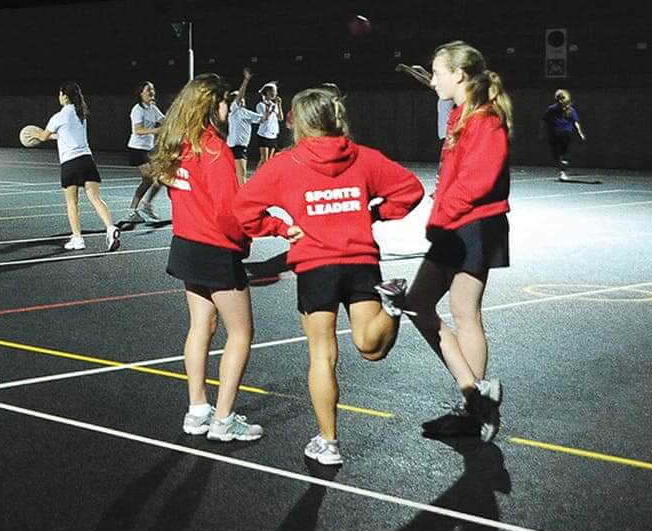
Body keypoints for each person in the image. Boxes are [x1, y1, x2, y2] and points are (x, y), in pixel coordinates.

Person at [234, 87, 424, 467]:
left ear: (298, 122)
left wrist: (279, 228)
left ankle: (328, 442)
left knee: (322, 355)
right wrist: (373, 214)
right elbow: (411, 190)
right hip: (360, 262)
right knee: (372, 348)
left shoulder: (284, 165)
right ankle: (392, 306)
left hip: (316, 265)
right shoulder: (364, 158)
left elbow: (242, 210)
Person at [149, 74, 295, 442]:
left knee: (201, 327)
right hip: (215, 251)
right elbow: (234, 213)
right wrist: (279, 227)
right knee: (242, 332)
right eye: (225, 102)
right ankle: (224, 419)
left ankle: (197, 410)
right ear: (211, 106)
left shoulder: (179, 146)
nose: (229, 108)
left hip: (186, 246)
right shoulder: (214, 151)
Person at [392, 41, 513, 440]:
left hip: (473, 226)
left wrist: (440, 216)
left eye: (439, 72)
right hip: (456, 224)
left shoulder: (486, 119)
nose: (435, 79)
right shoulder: (463, 112)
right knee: (417, 304)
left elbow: (477, 183)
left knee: (465, 313)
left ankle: (473, 408)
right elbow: (441, 86)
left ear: (459, 75)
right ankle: (477, 393)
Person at [38, 82, 119, 252]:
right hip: (87, 160)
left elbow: (43, 136)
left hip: (70, 163)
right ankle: (111, 228)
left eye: (59, 94)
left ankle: (77, 238)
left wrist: (33, 133)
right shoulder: (81, 114)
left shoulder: (58, 117)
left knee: (72, 203)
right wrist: (54, 136)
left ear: (64, 95)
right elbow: (65, 134)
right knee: (95, 198)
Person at [120, 81, 164, 226]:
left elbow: (164, 121)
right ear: (141, 93)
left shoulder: (153, 108)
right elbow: (138, 130)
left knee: (160, 178)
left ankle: (142, 207)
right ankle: (136, 210)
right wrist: (156, 130)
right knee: (150, 178)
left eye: (153, 89)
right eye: (148, 90)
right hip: (136, 149)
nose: (151, 92)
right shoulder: (137, 110)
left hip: (148, 148)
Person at [221, 68, 263, 182]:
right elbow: (240, 95)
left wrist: (270, 108)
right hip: (233, 147)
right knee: (239, 177)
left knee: (239, 176)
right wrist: (246, 80)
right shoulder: (234, 110)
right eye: (237, 97)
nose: (241, 98)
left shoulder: (247, 113)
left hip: (242, 147)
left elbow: (262, 119)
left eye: (241, 97)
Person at [542, 88, 586, 181]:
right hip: (557, 133)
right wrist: (542, 132)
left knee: (561, 153)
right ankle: (562, 164)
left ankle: (563, 168)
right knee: (559, 154)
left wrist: (580, 133)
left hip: (563, 133)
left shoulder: (570, 110)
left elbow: (575, 122)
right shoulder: (552, 109)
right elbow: (544, 122)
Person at [251, 82, 283, 168]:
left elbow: (280, 118)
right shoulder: (261, 105)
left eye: (275, 91)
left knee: (270, 160)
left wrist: (279, 105)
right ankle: (257, 177)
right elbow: (263, 119)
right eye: (271, 91)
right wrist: (269, 110)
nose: (273, 93)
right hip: (263, 134)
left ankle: (265, 178)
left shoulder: (274, 105)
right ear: (266, 92)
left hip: (273, 134)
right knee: (264, 159)